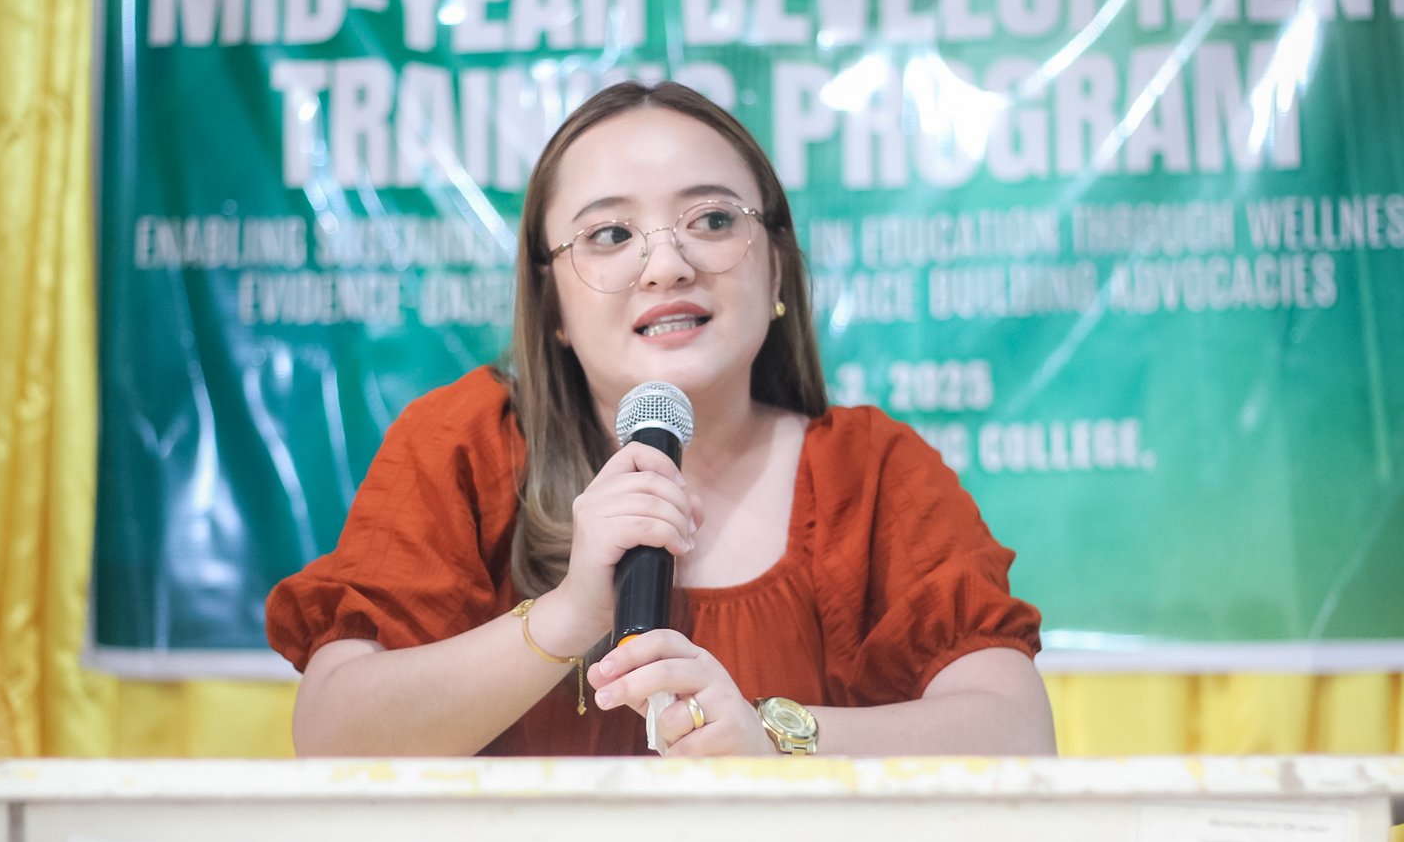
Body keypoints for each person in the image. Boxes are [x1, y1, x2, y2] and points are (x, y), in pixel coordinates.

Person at [267, 81, 1056, 758]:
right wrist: (569, 615)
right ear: (552, 304)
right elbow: (333, 737)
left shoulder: (872, 471)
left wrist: (773, 737)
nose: (668, 265)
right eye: (610, 235)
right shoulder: (463, 444)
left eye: (712, 220)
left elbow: (1016, 733)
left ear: (776, 267)